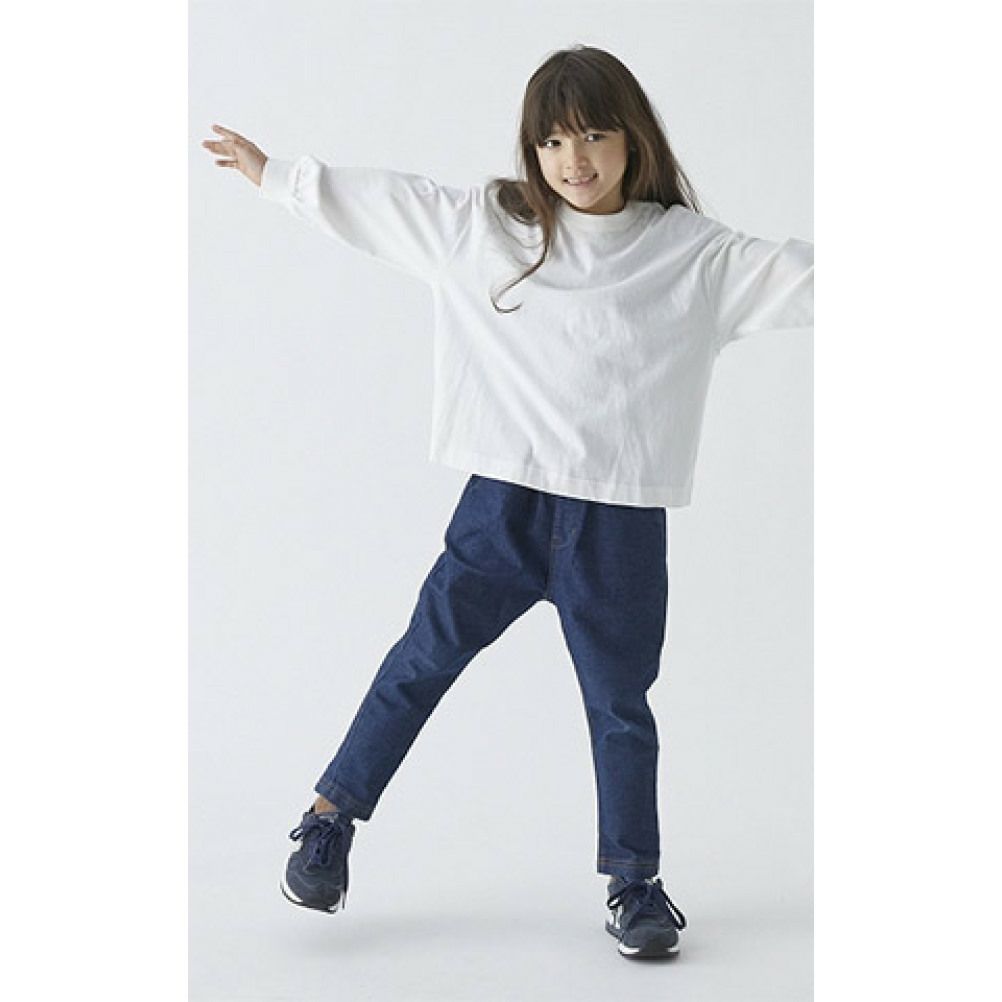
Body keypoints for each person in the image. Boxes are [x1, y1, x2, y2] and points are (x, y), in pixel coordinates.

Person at [201, 44, 812, 960]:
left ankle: (634, 883)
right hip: (504, 507)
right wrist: (276, 175)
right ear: (533, 150)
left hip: (618, 522)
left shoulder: (693, 254)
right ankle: (327, 821)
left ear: (632, 138)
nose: (575, 160)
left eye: (593, 136)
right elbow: (387, 202)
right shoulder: (489, 228)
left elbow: (807, 278)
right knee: (421, 661)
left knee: (620, 707)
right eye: (553, 141)